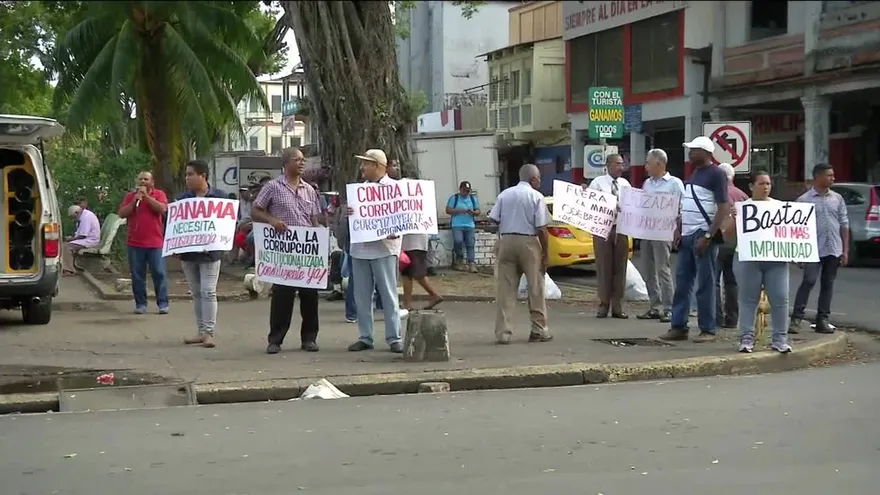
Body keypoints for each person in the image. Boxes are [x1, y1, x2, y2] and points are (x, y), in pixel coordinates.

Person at [252, 148, 324, 354]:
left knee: (310, 296)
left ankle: (309, 338)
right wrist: (272, 221)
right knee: (282, 296)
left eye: (304, 160)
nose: (302, 163)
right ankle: (275, 339)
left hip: (306, 252)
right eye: (297, 160)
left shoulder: (309, 190)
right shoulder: (273, 187)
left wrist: (318, 235)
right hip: (283, 252)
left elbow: (314, 218)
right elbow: (256, 210)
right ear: (285, 164)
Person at [659, 136, 729, 343]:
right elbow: (687, 206)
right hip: (688, 235)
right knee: (682, 282)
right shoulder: (695, 173)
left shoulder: (717, 174)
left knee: (705, 284)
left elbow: (723, 207)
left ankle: (708, 329)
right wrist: (679, 230)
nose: (689, 154)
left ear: (706, 152)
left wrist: (708, 235)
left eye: (693, 150)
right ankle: (679, 326)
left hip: (702, 235)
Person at [722, 170, 792, 353]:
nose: (766, 187)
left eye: (768, 184)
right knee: (748, 300)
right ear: (752, 187)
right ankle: (746, 338)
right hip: (748, 259)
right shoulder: (741, 208)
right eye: (761, 184)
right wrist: (734, 219)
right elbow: (727, 237)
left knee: (780, 298)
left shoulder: (780, 207)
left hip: (775, 259)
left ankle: (780, 339)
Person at [346, 149, 404, 353]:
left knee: (388, 295)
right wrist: (348, 212)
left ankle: (394, 337)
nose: (362, 168)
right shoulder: (359, 191)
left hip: (384, 249)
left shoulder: (396, 189)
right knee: (361, 297)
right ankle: (365, 336)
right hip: (360, 250)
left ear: (378, 165)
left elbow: (403, 217)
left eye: (366, 164)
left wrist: (394, 230)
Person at [489, 163, 552, 344]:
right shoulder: (536, 196)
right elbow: (541, 228)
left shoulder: (504, 194)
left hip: (507, 241)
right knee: (535, 288)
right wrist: (546, 253)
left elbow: (493, 220)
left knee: (505, 290)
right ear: (533, 179)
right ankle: (539, 330)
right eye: (539, 178)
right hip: (529, 243)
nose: (540, 181)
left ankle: (503, 333)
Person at [174, 160, 229, 348]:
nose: (187, 178)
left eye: (190, 174)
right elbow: (174, 225)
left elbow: (229, 223)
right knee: (197, 293)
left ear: (202, 175)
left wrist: (214, 241)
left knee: (208, 291)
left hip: (210, 254)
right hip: (189, 254)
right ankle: (200, 331)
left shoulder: (220, 198)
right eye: (186, 174)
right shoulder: (182, 200)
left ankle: (209, 332)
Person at [790, 163, 849, 334]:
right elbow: (795, 229)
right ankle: (796, 319)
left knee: (828, 284)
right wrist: (797, 253)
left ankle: (823, 319)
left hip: (833, 248)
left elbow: (844, 224)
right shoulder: (803, 200)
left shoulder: (837, 199)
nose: (833, 178)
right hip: (812, 249)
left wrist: (845, 250)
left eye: (833, 175)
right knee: (808, 281)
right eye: (829, 175)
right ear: (818, 177)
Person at [636, 149, 684, 323]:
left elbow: (682, 207)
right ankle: (654, 306)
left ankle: (669, 307)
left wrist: (677, 228)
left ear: (659, 164)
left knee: (662, 269)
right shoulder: (647, 184)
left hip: (663, 231)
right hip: (646, 230)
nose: (646, 167)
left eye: (648, 163)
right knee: (648, 270)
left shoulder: (674, 183)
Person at [118, 171, 169, 315]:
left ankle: (163, 303)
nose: (143, 181)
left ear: (152, 181)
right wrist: (135, 201)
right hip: (135, 243)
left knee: (159, 273)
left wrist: (147, 197)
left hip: (155, 242)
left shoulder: (159, 194)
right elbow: (122, 213)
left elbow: (162, 208)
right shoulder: (130, 196)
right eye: (140, 179)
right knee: (137, 275)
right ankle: (141, 304)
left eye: (146, 179)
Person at [588, 154, 632, 318]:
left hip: (621, 228)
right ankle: (603, 303)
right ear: (607, 165)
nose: (620, 167)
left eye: (622, 164)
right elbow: (589, 205)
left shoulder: (625, 184)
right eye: (617, 164)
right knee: (603, 266)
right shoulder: (598, 183)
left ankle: (618, 305)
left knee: (620, 267)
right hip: (602, 229)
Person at [715, 162, 749, 328]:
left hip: (718, 240)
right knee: (731, 280)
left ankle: (716, 317)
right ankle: (732, 318)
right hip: (736, 243)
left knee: (713, 280)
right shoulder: (742, 195)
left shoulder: (717, 193)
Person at [400, 232, 443, 310]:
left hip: (415, 243)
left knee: (417, 273)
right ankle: (407, 303)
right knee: (406, 273)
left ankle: (433, 294)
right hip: (408, 242)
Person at [446, 181, 481, 272]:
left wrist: (473, 212)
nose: (466, 193)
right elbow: (448, 210)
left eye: (468, 191)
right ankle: (459, 260)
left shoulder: (473, 199)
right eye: (464, 191)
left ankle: (472, 263)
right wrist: (458, 211)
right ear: (460, 189)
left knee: (470, 244)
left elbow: (478, 211)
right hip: (457, 225)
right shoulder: (454, 198)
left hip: (470, 225)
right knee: (458, 241)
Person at [61, 204, 101, 276]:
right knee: (64, 244)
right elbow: (80, 233)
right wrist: (71, 238)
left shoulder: (86, 217)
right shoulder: (83, 216)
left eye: (74, 217)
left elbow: (83, 235)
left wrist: (70, 239)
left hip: (91, 240)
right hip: (86, 239)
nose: (74, 219)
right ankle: (72, 267)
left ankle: (69, 270)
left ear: (77, 212)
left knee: (67, 247)